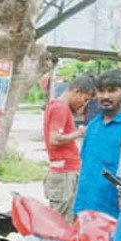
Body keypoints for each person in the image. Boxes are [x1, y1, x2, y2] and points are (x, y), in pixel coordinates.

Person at [73, 69, 121, 218]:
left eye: (112, 91)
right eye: (101, 91)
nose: (105, 96)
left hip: (115, 214)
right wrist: (77, 210)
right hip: (85, 209)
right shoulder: (93, 126)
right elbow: (85, 169)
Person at [43, 76, 95, 221]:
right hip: (64, 173)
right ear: (76, 91)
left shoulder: (58, 106)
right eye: (85, 99)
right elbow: (54, 139)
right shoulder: (60, 108)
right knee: (62, 222)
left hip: (66, 172)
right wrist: (79, 133)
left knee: (69, 218)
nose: (84, 105)